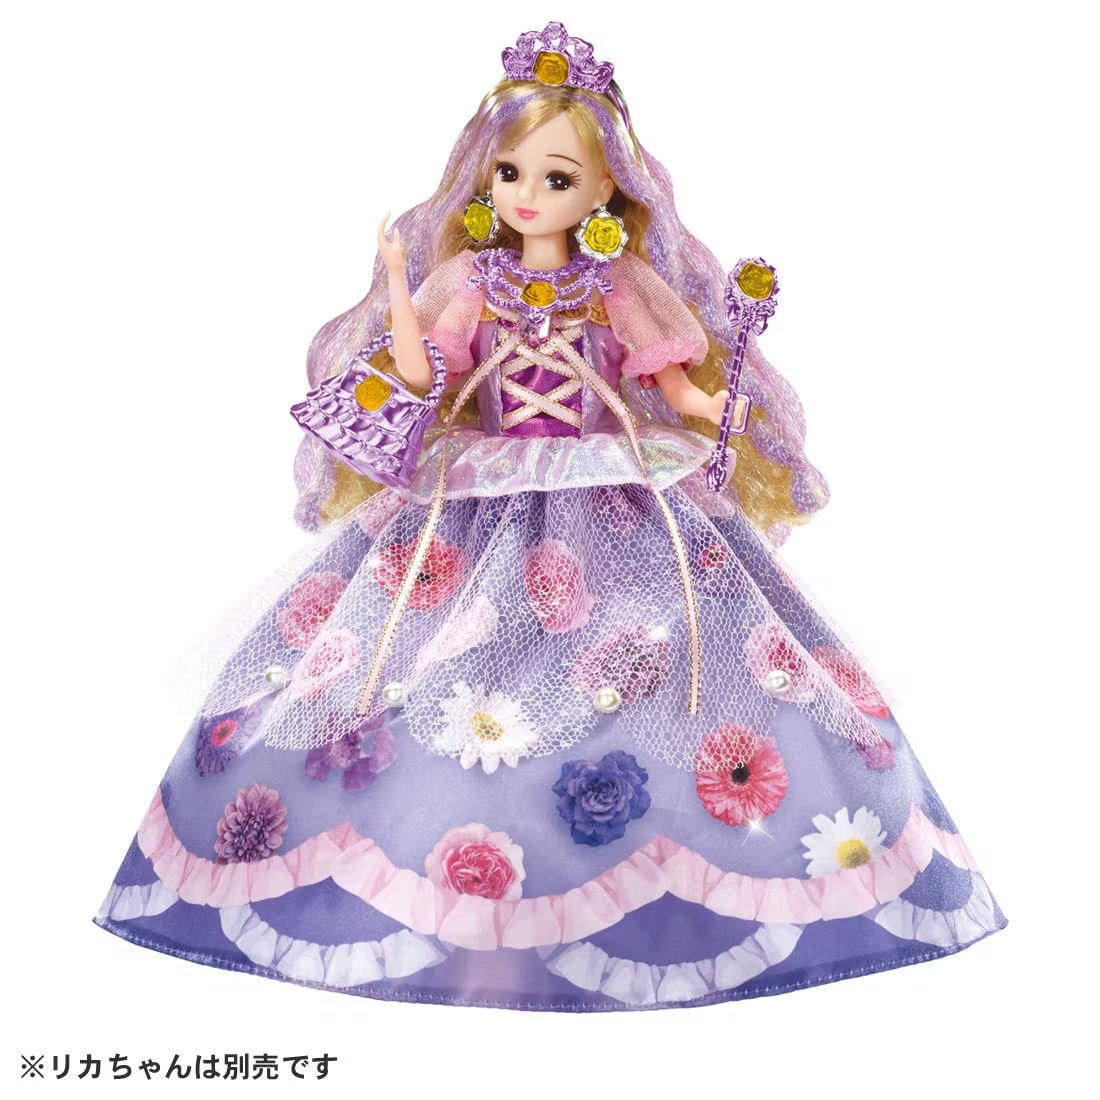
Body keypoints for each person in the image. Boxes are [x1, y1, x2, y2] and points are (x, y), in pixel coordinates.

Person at [93, 20, 1008, 1011]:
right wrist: (398, 280)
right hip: (473, 493)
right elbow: (420, 373)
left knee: (674, 657)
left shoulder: (620, 284)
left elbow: (678, 384)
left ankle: (649, 865)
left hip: (614, 494)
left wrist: (719, 404)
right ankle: (447, 877)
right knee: (424, 664)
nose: (527, 194)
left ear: (607, 188)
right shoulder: (469, 280)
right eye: (509, 174)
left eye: (556, 177)